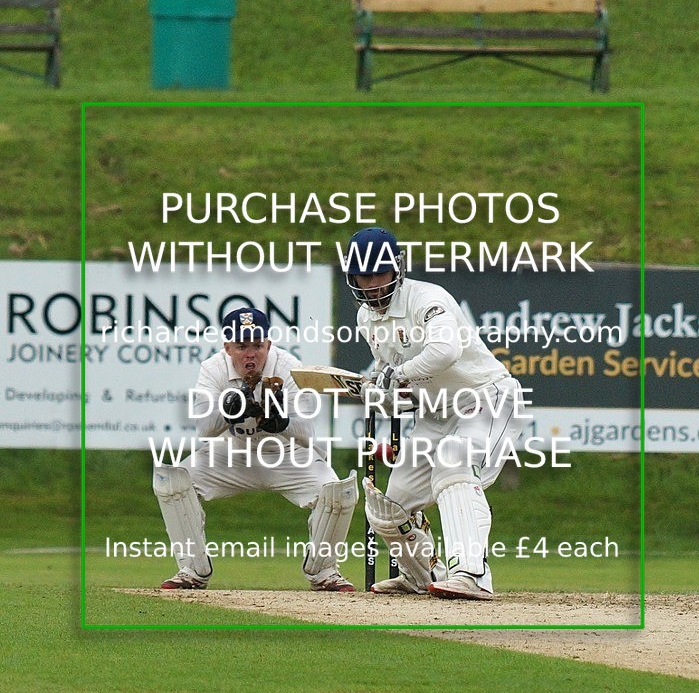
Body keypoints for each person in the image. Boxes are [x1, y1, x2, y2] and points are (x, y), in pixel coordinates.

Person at [345, 227, 527, 600]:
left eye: (380, 274)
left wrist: (399, 374)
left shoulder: (427, 298)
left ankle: (472, 573)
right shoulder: (367, 319)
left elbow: (445, 353)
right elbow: (399, 385)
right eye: (365, 276)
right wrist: (383, 394)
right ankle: (420, 575)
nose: (373, 284)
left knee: (454, 460)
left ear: (397, 270)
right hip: (435, 412)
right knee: (391, 504)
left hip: (485, 399)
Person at [152, 307, 357, 592]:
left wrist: (282, 423)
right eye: (241, 346)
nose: (251, 354)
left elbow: (307, 431)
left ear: (268, 344)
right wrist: (229, 410)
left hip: (286, 454)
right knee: (173, 480)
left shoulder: (287, 366)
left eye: (258, 345)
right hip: (233, 452)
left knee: (338, 492)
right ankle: (192, 569)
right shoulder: (213, 369)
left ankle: (323, 571)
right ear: (227, 347)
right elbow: (204, 429)